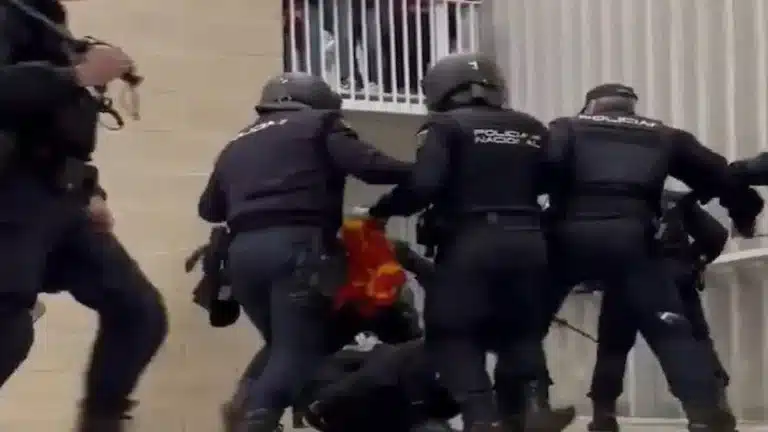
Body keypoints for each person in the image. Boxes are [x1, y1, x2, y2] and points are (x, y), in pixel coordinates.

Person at [367, 52, 574, 432]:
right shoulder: (531, 127)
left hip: (472, 240)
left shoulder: (444, 126)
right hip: (529, 241)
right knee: (522, 330)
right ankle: (535, 405)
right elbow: (552, 181)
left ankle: (482, 419)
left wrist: (383, 210)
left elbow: (425, 184)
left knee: (453, 332)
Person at [197, 71, 411, 432]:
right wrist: (424, 171)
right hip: (297, 248)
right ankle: (255, 421)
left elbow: (210, 209)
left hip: (243, 256)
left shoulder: (236, 143)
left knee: (283, 346)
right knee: (297, 350)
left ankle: (243, 406)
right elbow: (369, 166)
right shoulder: (321, 124)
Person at [543, 83, 763, 432]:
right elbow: (721, 176)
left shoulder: (565, 128)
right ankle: (704, 412)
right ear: (632, 108)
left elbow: (538, 173)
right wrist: (745, 212)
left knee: (526, 326)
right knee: (674, 333)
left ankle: (521, 406)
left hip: (567, 237)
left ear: (590, 108)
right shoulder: (665, 136)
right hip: (634, 247)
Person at [0, 0, 168, 431]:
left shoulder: (43, 17)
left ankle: (100, 423)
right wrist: (77, 76)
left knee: (139, 311)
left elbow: (56, 130)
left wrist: (92, 190)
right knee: (9, 331)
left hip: (62, 198)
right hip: (12, 196)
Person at [586, 189, 731, 432]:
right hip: (674, 281)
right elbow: (716, 234)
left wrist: (592, 279)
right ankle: (708, 411)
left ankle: (604, 415)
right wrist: (691, 262)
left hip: (623, 283)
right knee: (693, 343)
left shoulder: (601, 201)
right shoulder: (675, 199)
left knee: (613, 349)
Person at [303, 338, 460, 432]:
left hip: (385, 400)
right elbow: (359, 383)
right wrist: (321, 406)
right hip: (349, 403)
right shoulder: (389, 369)